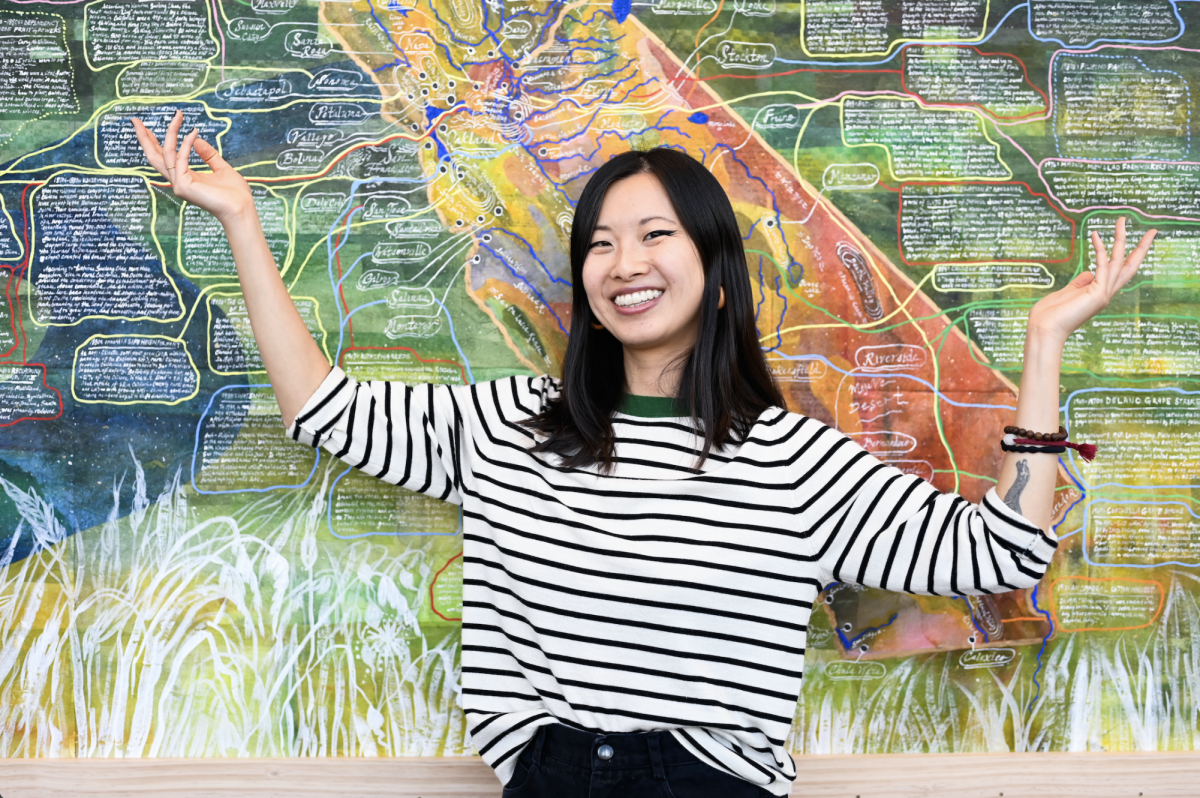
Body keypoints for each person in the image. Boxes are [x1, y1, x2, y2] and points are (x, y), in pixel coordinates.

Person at [132, 112, 1156, 797]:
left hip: (709, 781)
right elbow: (325, 411)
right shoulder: (511, 427)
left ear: (715, 277)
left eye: (656, 235)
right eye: (601, 243)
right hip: (553, 776)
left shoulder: (794, 460)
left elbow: (998, 556)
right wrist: (243, 220)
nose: (624, 264)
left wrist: (1044, 343)